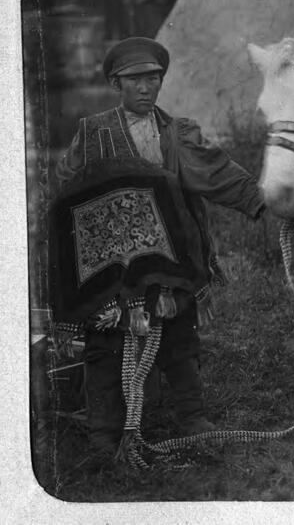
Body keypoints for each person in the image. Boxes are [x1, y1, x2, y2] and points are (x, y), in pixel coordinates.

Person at [54, 36, 265, 460]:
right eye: (135, 80)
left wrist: (263, 202)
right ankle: (103, 436)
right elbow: (64, 189)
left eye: (153, 79)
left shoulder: (177, 133)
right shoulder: (93, 133)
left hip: (173, 261)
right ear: (117, 84)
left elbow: (218, 173)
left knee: (180, 337)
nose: (146, 88)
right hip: (111, 265)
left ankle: (192, 417)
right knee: (106, 346)